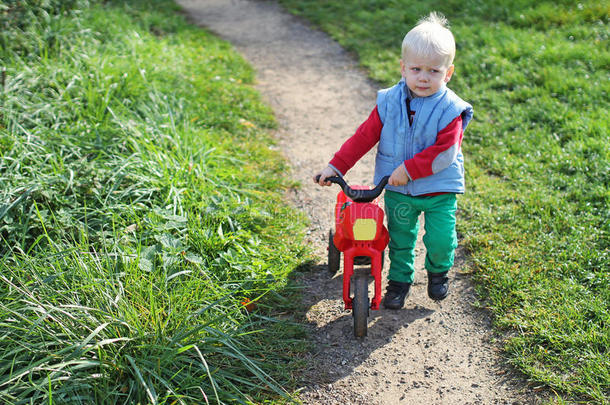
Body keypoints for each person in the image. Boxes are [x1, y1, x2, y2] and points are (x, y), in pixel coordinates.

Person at [313, 12, 473, 309]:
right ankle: (399, 282)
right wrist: (336, 166)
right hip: (399, 191)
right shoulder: (389, 102)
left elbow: (444, 152)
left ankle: (438, 272)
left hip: (439, 190)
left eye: (434, 71)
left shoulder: (451, 109)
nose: (423, 77)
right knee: (401, 239)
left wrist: (408, 170)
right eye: (416, 69)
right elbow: (363, 137)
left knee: (439, 239)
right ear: (403, 68)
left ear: (448, 73)